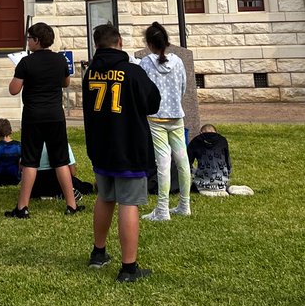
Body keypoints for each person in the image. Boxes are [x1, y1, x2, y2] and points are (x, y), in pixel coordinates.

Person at [82, 23, 160, 283]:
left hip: (100, 145)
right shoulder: (132, 72)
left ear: (97, 45)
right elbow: (153, 102)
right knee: (128, 202)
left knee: (105, 197)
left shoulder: (90, 73)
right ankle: (129, 267)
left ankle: (98, 253)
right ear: (120, 42)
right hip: (129, 146)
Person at [6, 22, 81, 218]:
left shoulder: (26, 62)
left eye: (29, 38)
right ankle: (71, 205)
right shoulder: (60, 60)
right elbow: (65, 82)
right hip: (55, 115)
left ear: (37, 40)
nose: (28, 42)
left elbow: (13, 89)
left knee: (30, 161)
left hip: (33, 116)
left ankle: (22, 207)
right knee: (61, 160)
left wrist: (23, 74)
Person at [140, 21, 191, 222]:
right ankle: (184, 204)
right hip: (176, 115)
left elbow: (143, 90)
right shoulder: (178, 61)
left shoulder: (145, 63)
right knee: (182, 160)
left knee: (162, 162)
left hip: (155, 117)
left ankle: (162, 208)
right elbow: (183, 86)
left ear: (149, 43)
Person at [30, 142, 94, 202]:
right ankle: (60, 194)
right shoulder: (61, 142)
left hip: (35, 184)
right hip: (57, 181)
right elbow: (72, 172)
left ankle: (45, 195)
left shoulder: (30, 143)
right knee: (87, 186)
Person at [187, 123, 232, 195]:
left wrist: (193, 172)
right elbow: (228, 162)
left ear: (200, 133)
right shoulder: (222, 140)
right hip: (221, 182)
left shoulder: (196, 140)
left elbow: (187, 162)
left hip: (202, 183)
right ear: (216, 132)